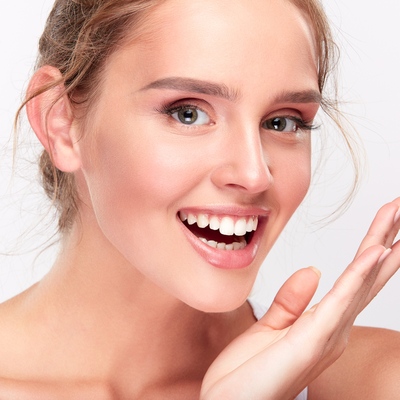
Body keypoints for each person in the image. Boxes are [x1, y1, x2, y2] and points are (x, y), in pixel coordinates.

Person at [0, 0, 399, 398]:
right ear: (61, 123)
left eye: (282, 122)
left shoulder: (375, 381)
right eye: (187, 113)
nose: (254, 175)